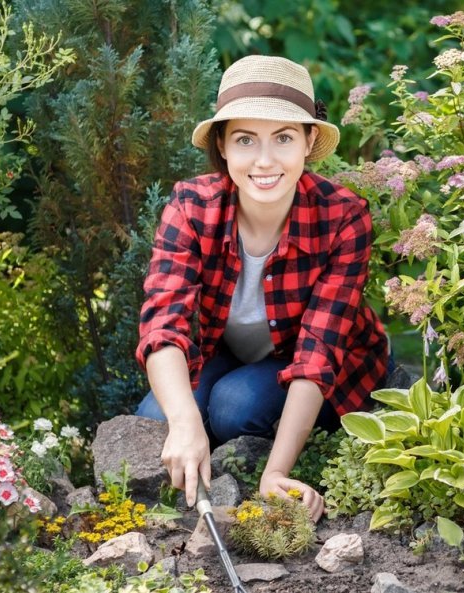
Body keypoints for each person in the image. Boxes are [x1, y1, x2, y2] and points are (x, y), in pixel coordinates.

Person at [134, 55, 390, 522]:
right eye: (245, 139)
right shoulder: (191, 206)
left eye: (284, 138)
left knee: (234, 408)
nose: (265, 160)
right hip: (230, 351)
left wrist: (275, 474)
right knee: (158, 418)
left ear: (310, 141)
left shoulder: (344, 216)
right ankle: (204, 438)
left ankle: (255, 448)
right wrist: (187, 422)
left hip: (316, 365)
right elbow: (163, 324)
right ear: (222, 145)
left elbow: (318, 353)